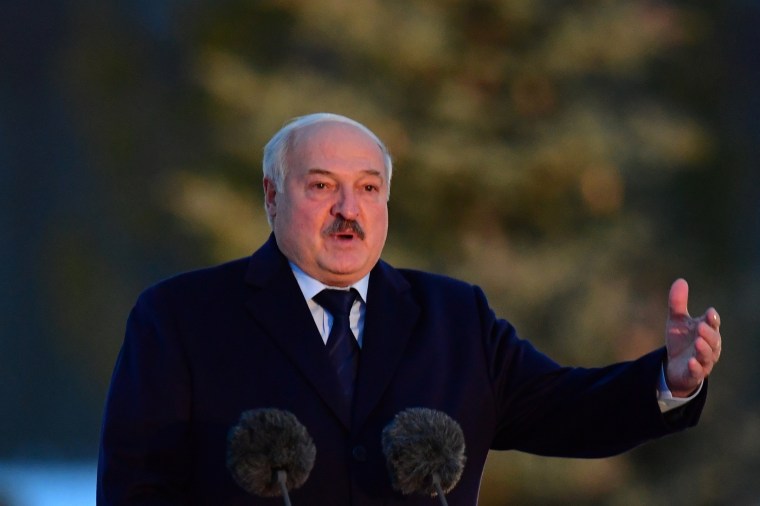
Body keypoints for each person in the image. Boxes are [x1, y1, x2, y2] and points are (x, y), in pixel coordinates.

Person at [97, 113, 722, 505]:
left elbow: (568, 410)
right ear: (271, 195)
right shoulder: (181, 317)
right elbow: (137, 490)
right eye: (321, 186)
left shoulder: (455, 317)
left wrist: (669, 379)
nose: (350, 208)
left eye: (368, 187)